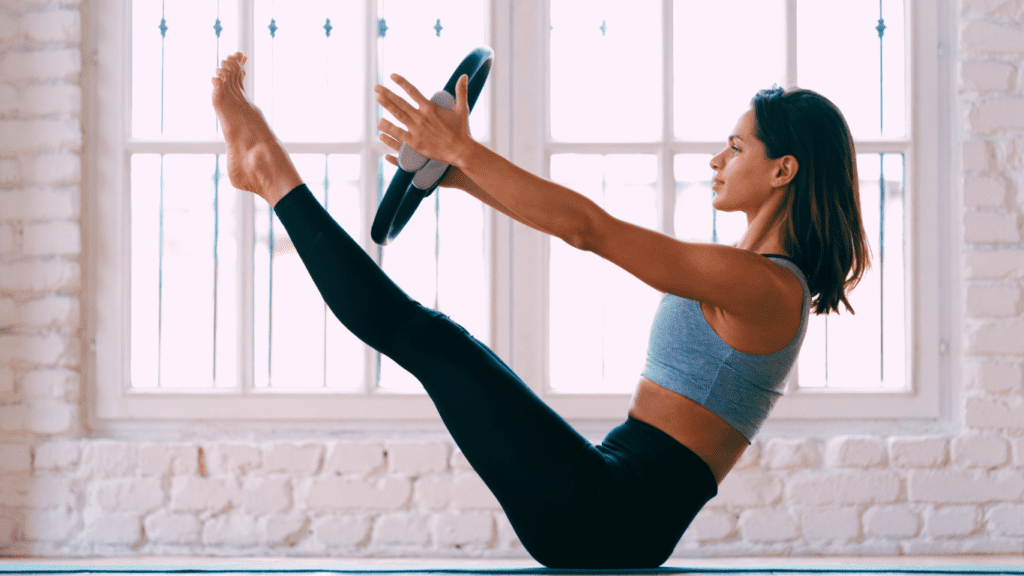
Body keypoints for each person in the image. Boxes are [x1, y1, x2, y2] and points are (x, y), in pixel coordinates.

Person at [211, 52, 869, 568]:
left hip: (606, 516)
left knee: (428, 339)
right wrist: (463, 175)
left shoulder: (764, 287)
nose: (716, 159)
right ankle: (269, 171)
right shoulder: (752, 276)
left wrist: (465, 151)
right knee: (429, 340)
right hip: (609, 503)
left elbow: (588, 228)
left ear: (783, 171)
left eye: (737, 147)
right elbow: (579, 224)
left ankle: (269, 172)